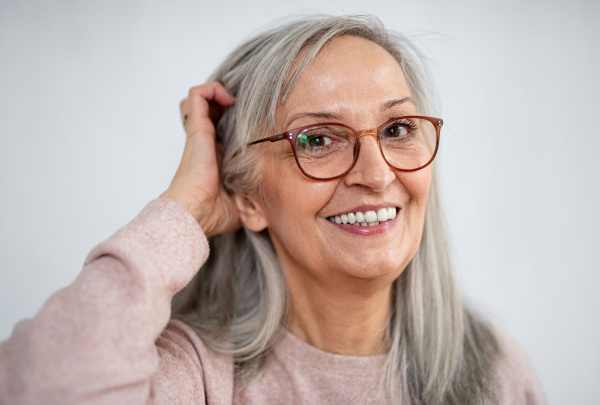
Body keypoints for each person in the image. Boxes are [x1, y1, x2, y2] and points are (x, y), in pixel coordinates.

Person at [0, 15, 546, 404]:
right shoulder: (196, 376)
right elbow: (39, 388)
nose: (377, 174)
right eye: (317, 140)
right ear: (247, 198)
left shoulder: (495, 370)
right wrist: (184, 207)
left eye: (398, 129)